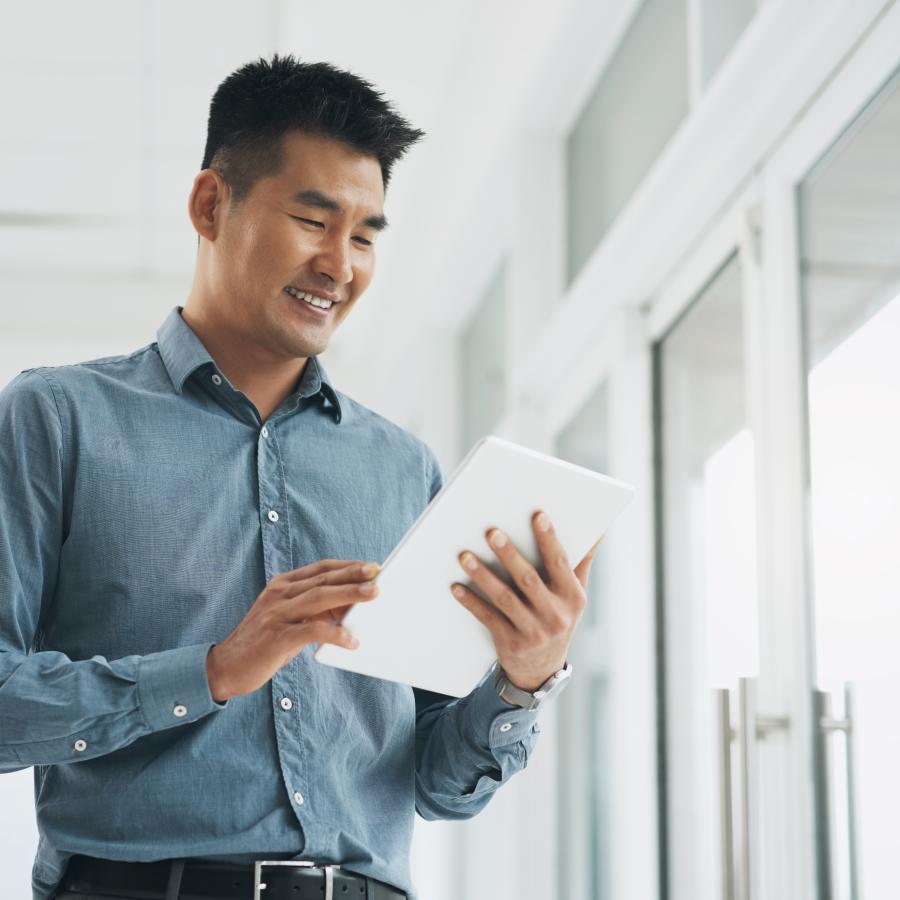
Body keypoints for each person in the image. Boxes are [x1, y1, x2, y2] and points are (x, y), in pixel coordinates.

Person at [0, 54, 601, 900]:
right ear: (211, 205)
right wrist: (213, 669)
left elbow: (436, 784)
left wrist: (523, 678)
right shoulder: (57, 419)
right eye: (314, 221)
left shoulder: (401, 467)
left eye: (365, 236)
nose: (340, 265)